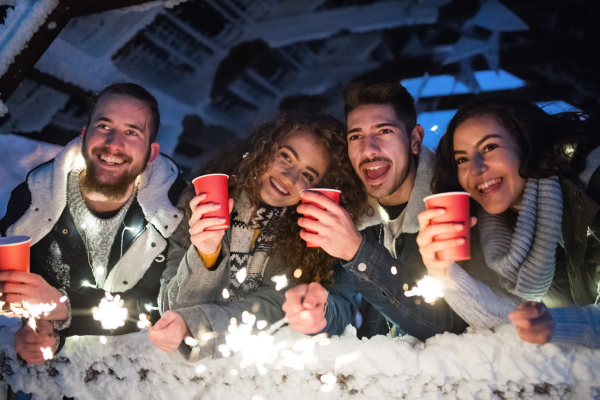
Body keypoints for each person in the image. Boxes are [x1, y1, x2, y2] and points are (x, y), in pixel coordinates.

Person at [147, 113, 368, 360]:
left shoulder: (311, 242)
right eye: (285, 156)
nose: (289, 176)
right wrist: (206, 255)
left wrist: (197, 328)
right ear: (264, 149)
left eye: (308, 175)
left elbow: (272, 311)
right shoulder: (200, 204)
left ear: (316, 189)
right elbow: (172, 311)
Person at [0, 83, 187, 363]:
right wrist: (35, 326)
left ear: (151, 153)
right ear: (85, 135)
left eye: (132, 132)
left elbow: (163, 310)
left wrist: (65, 307)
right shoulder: (32, 200)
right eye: (104, 126)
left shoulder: (175, 213)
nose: (114, 143)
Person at [282, 82, 479, 340]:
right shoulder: (352, 208)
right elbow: (343, 303)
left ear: (415, 140)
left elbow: (452, 325)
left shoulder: (455, 204)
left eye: (384, 131)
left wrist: (357, 251)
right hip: (379, 373)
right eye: (356, 136)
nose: (368, 149)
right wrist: (322, 311)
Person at [417, 95, 600, 348]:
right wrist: (442, 272)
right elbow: (510, 322)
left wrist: (562, 324)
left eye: (490, 147)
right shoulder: (491, 231)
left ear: (525, 144)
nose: (476, 168)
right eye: (462, 159)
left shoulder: (591, 183)